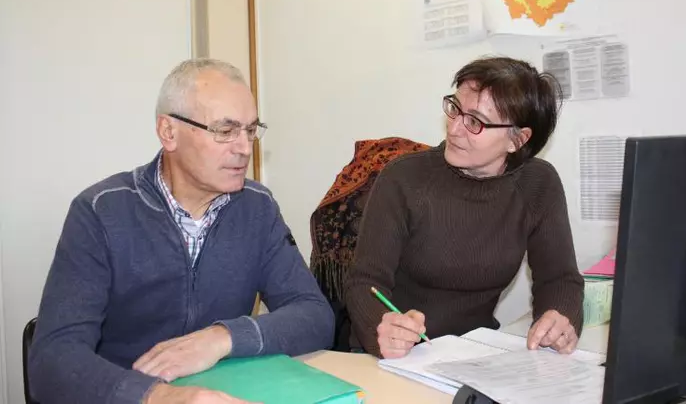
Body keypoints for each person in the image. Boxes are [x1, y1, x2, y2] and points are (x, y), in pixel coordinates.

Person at [29, 58, 335, 404]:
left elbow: (315, 316)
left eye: (251, 130)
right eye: (225, 131)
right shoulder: (101, 211)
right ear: (168, 132)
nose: (245, 148)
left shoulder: (256, 208)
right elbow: (51, 361)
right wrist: (160, 397)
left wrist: (222, 338)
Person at [344, 56, 584, 359]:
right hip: (399, 356)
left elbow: (559, 278)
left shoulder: (539, 184)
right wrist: (381, 326)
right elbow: (365, 282)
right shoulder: (404, 179)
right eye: (455, 108)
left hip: (473, 355)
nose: (455, 129)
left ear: (518, 139)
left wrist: (559, 317)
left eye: (475, 121)